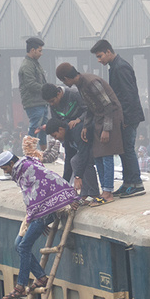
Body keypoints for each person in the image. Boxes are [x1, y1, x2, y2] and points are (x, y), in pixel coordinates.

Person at [0, 151, 80, 299]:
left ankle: (20, 286)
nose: (6, 172)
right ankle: (40, 277)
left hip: (43, 212)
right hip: (37, 212)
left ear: (11, 163)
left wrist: (68, 197)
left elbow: (49, 179)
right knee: (18, 244)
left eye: (5, 168)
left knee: (23, 247)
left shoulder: (27, 167)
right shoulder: (20, 170)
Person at [55, 64, 124, 203]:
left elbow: (108, 106)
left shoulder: (91, 82)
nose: (65, 85)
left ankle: (108, 192)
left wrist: (106, 129)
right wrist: (85, 126)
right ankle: (104, 189)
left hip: (110, 118)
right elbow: (90, 108)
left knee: (107, 154)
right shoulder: (80, 85)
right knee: (98, 155)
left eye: (63, 81)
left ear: (66, 78)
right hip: (98, 119)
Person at [91, 39, 145, 199]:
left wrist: (125, 118)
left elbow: (128, 95)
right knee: (123, 150)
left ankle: (136, 183)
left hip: (128, 116)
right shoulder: (115, 66)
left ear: (108, 51)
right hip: (124, 116)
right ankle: (128, 183)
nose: (99, 60)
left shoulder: (120, 68)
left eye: (100, 56)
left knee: (127, 149)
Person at [19, 37, 48, 145]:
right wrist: (47, 89)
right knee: (35, 126)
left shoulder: (35, 63)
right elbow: (31, 84)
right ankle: (29, 151)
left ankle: (43, 152)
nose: (41, 53)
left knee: (43, 128)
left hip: (41, 101)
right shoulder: (27, 65)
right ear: (33, 50)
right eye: (40, 51)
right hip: (33, 102)